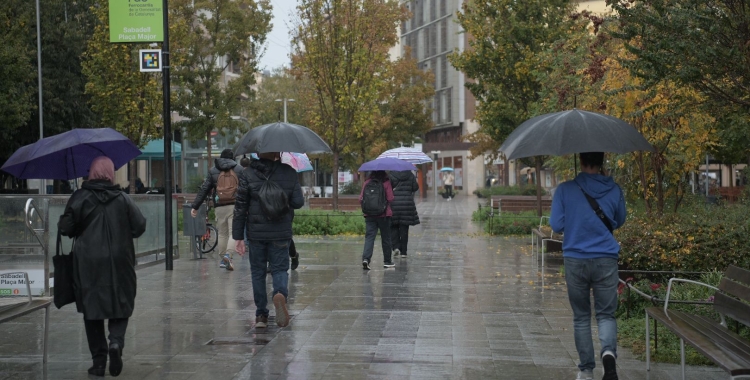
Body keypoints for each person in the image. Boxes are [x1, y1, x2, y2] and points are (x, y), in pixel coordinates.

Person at [58, 156, 147, 377]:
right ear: (109, 173)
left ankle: (99, 362)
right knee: (122, 300)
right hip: (120, 259)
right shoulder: (123, 198)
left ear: (91, 173)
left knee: (92, 307)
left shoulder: (79, 197)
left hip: (88, 262)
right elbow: (140, 226)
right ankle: (116, 343)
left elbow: (66, 228)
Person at [549, 152, 626, 380]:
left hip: (576, 259)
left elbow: (556, 224)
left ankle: (586, 370)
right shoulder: (614, 189)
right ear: (601, 163)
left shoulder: (565, 189)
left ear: (581, 162)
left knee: (581, 316)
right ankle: (609, 354)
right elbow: (619, 220)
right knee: (606, 315)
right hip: (606, 259)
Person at [233, 152, 304, 328]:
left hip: (256, 232)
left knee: (257, 272)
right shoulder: (289, 172)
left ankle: (261, 316)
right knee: (280, 269)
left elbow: (240, 206)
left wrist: (238, 237)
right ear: (278, 153)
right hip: (280, 231)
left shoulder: (247, 173)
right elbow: (298, 202)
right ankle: (279, 294)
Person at [190, 148, 242, 271]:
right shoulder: (238, 170)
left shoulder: (214, 170)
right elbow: (246, 188)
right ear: (232, 158)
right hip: (235, 205)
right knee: (233, 232)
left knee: (223, 233)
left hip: (219, 206)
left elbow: (205, 189)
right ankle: (228, 256)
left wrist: (195, 206)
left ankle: (223, 258)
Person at [360, 170, 395, 269]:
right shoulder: (386, 182)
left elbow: (360, 198)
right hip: (384, 215)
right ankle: (387, 261)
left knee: (369, 237)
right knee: (386, 238)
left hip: (369, 215)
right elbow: (390, 198)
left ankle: (366, 259)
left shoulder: (367, 182)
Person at [388, 170, 420, 258]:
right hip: (407, 204)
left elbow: (388, 189)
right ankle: (404, 252)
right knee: (404, 228)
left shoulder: (391, 175)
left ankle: (396, 247)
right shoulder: (410, 175)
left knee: (393, 226)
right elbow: (415, 188)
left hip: (394, 204)